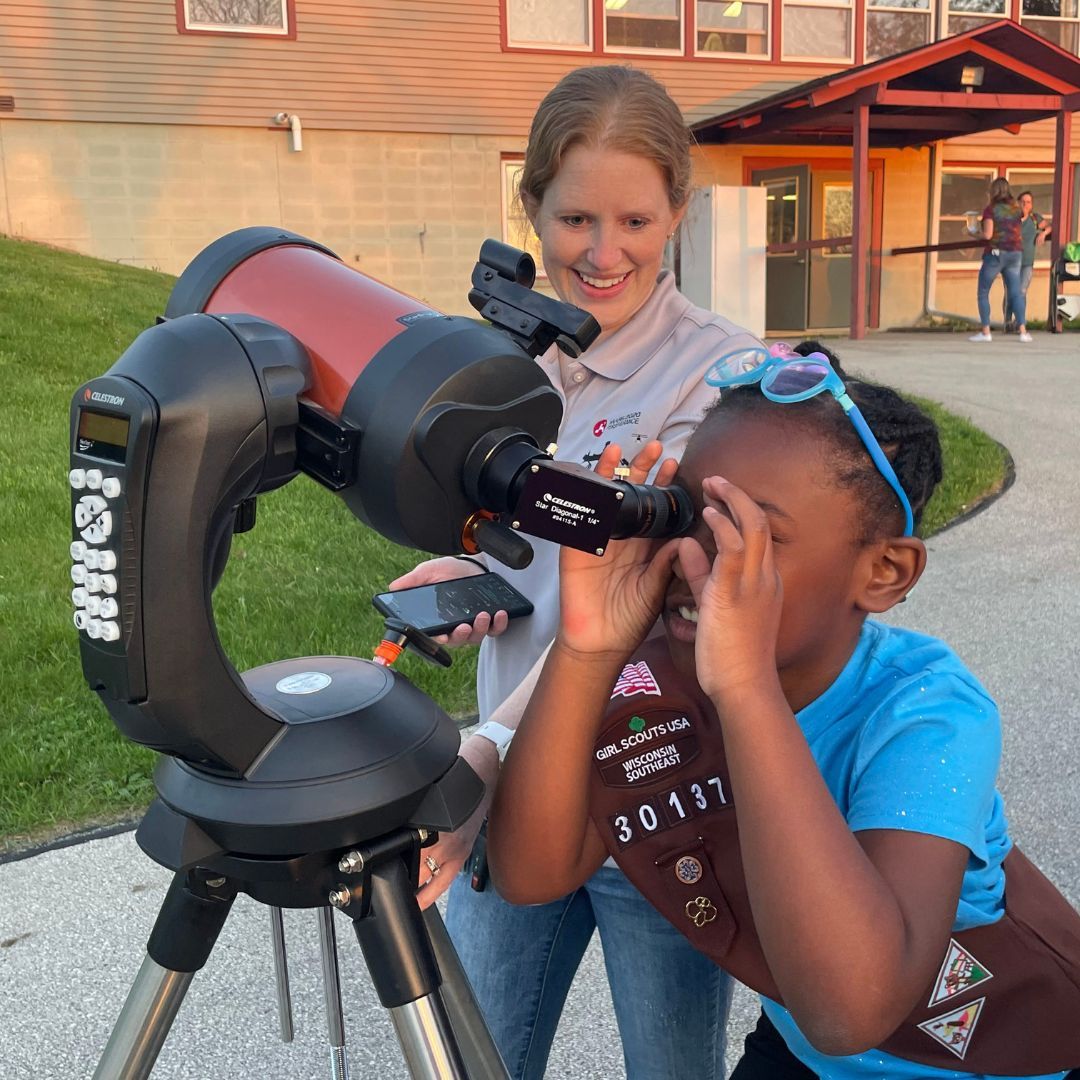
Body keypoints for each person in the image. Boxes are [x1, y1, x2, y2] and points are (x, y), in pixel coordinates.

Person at [488, 341, 1080, 1079]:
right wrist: (588, 650)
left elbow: (851, 1011)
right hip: (805, 1049)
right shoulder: (659, 679)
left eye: (747, 537)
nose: (693, 558)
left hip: (986, 1057)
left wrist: (743, 690)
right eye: (684, 516)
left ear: (883, 572)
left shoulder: (925, 710)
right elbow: (530, 874)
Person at [389, 65, 764, 1079]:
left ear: (678, 211)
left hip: (657, 788)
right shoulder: (516, 367)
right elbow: (541, 552)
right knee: (475, 1061)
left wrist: (486, 755)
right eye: (575, 220)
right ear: (532, 210)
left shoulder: (725, 380)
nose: (603, 254)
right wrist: (469, 572)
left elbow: (659, 611)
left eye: (635, 221)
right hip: (515, 788)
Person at [970, 177, 1031, 343]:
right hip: (1015, 253)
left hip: (996, 254)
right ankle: (1023, 332)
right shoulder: (1016, 209)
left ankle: (986, 332)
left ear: (993, 191)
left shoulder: (991, 210)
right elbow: (1022, 218)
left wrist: (972, 233)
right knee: (1015, 293)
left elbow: (988, 235)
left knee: (983, 292)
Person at [1004, 190, 1049, 332]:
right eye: (1022, 201)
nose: (1025, 204)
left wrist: (1044, 233)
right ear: (1018, 203)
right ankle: (1007, 322)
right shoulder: (1011, 218)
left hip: (1027, 263)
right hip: (1010, 262)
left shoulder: (1035, 218)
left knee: (1021, 291)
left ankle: (1019, 322)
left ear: (1031, 204)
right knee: (1010, 292)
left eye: (1028, 202)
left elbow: (1049, 226)